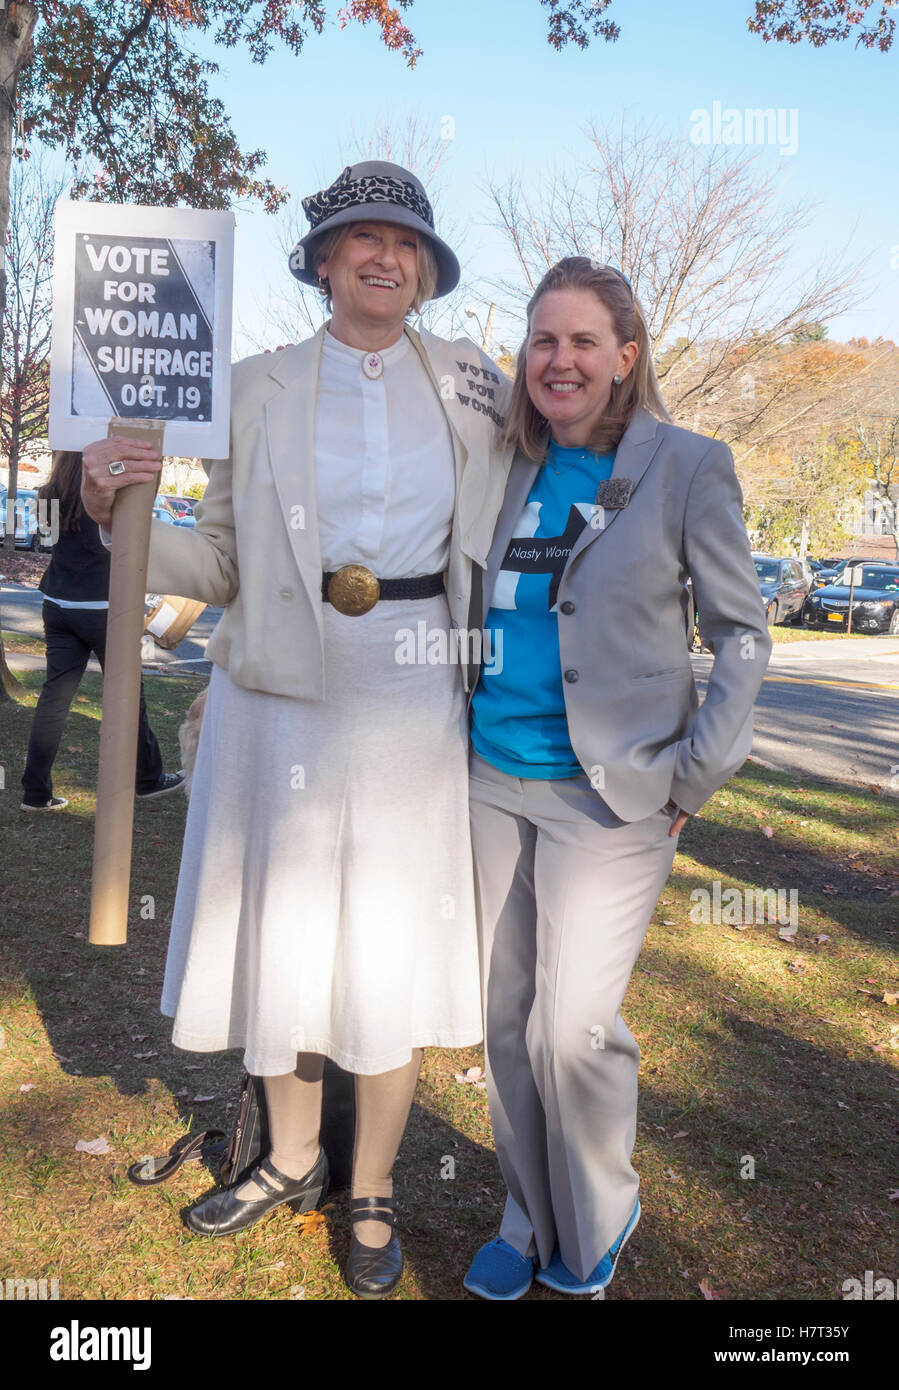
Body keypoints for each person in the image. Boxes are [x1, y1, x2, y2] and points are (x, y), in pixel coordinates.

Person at [80, 161, 513, 1299]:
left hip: (418, 683)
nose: (383, 255)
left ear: (423, 267)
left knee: (385, 938)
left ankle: (369, 1184)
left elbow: (543, 484)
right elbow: (216, 559)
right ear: (321, 262)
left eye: (404, 241)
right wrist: (114, 506)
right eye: (358, 238)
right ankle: (287, 1155)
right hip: (278, 682)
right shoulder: (252, 384)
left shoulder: (473, 379)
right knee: (283, 926)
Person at [462, 257, 772, 1299]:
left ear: (624, 357)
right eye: (542, 340)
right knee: (505, 1020)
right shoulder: (503, 462)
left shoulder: (686, 466)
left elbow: (740, 635)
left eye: (583, 341)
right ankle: (524, 1214)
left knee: (571, 1025)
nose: (559, 360)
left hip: (614, 795)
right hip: (490, 776)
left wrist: (693, 779)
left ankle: (593, 1216)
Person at [19, 451, 183, 811]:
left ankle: (35, 792)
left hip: (59, 604)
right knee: (128, 695)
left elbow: (46, 541)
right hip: (106, 606)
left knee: (53, 699)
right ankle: (147, 778)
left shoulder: (48, 490)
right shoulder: (113, 488)